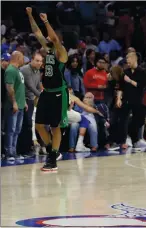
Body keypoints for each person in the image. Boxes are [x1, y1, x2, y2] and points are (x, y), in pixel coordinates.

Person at [26, 7, 68, 172]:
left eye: (51, 36)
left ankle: (52, 159)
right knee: (38, 125)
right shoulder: (49, 50)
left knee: (55, 126)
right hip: (47, 92)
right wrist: (30, 16)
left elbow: (55, 38)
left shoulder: (62, 53)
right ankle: (53, 151)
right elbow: (36, 32)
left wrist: (46, 21)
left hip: (59, 93)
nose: (48, 37)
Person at [4, 51, 27, 161]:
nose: (23, 60)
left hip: (21, 105)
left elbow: (20, 88)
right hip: (13, 105)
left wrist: (24, 102)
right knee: (11, 129)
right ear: (18, 58)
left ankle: (14, 151)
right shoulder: (10, 70)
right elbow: (9, 88)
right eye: (22, 58)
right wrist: (14, 102)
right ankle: (9, 153)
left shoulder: (17, 70)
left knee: (17, 130)